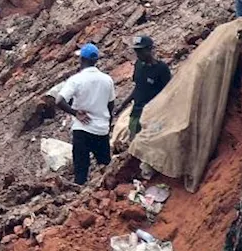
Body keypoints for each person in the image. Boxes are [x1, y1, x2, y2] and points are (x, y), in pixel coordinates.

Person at [52, 43, 117, 185]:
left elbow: (59, 101)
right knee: (105, 167)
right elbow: (110, 104)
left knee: (81, 172)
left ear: (81, 59)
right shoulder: (107, 80)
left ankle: (80, 200)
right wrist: (107, 121)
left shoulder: (76, 80)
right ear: (96, 60)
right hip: (101, 129)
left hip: (82, 129)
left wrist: (75, 113)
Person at [119, 35, 171, 140]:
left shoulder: (161, 69)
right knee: (133, 142)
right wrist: (123, 104)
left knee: (151, 143)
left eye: (141, 51)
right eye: (137, 51)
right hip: (136, 112)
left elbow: (168, 92)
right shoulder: (138, 65)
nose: (138, 54)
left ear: (150, 49)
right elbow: (138, 87)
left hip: (153, 114)